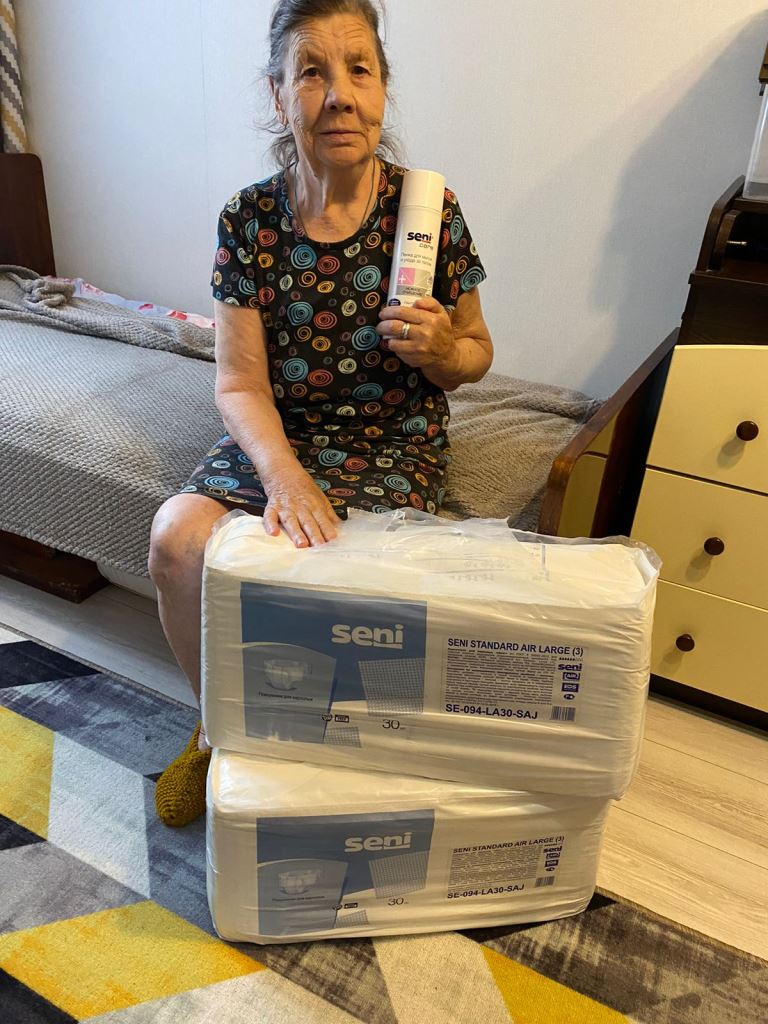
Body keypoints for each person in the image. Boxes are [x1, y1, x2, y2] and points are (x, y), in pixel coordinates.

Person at [149, 0, 493, 827]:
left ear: (382, 89)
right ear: (279, 96)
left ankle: (322, 744)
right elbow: (239, 384)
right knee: (176, 540)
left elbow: (478, 354)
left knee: (346, 573)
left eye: (358, 69)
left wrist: (443, 352)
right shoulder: (248, 221)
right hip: (281, 433)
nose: (338, 94)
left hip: (392, 438)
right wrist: (284, 476)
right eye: (311, 71)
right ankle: (218, 729)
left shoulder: (428, 211)